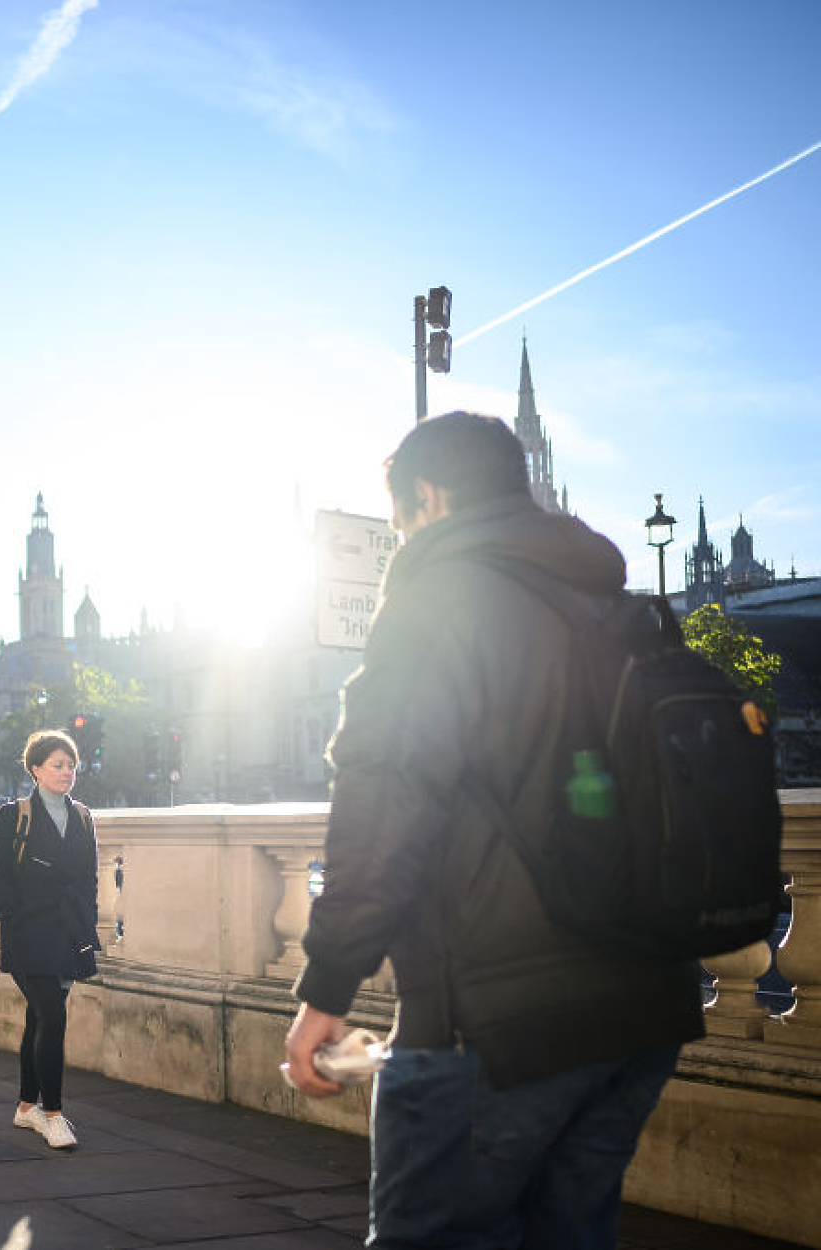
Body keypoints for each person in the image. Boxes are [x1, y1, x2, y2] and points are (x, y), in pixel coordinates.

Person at [284, 412, 704, 1249]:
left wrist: (328, 989)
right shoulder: (617, 609)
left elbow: (385, 807)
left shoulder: (438, 599)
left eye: (402, 519)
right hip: (642, 1009)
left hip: (496, 1025)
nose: (401, 538)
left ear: (429, 497)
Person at [0, 730, 101, 1150]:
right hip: (29, 933)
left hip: (69, 932)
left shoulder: (84, 816)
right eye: (57, 765)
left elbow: (90, 879)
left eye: (71, 765)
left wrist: (87, 922)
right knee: (53, 1017)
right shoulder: (14, 816)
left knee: (39, 1017)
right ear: (35, 769)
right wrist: (19, 916)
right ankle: (53, 1115)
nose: (67, 772)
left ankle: (26, 1106)